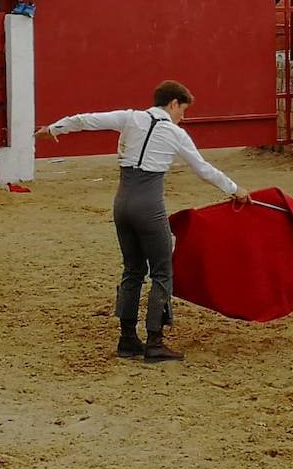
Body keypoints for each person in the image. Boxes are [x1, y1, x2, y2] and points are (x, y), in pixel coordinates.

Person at [35, 79, 251, 362]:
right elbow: (203, 169)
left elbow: (85, 120)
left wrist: (53, 129)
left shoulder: (130, 118)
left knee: (133, 269)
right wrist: (235, 190)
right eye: (183, 110)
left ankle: (127, 339)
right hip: (149, 206)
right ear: (173, 103)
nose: (183, 117)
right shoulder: (175, 134)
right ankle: (155, 342)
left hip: (121, 203)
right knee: (162, 270)